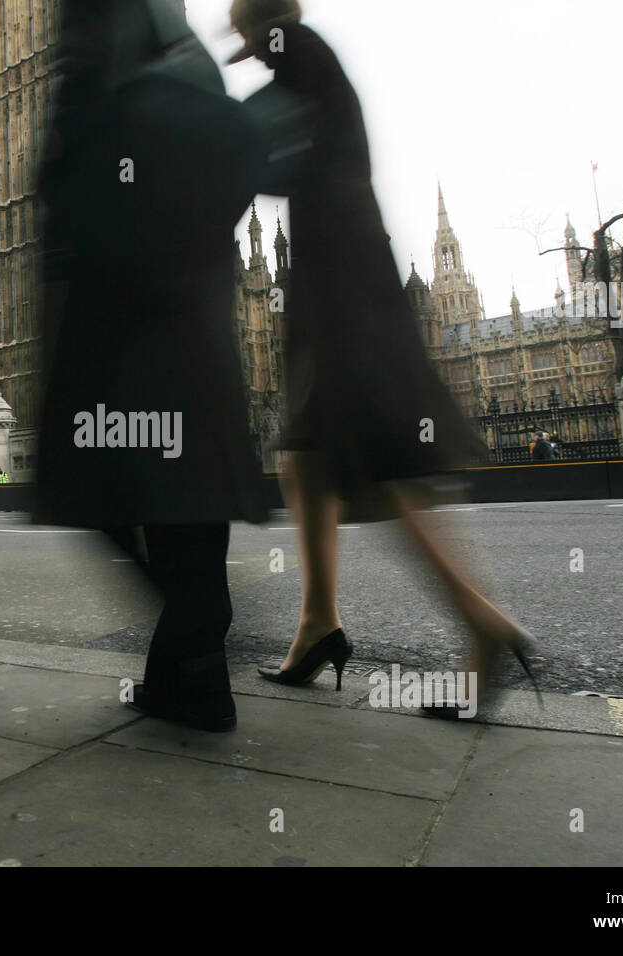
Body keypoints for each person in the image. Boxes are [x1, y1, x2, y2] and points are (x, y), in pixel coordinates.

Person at [230, 0, 538, 716]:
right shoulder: (303, 59)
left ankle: (485, 622)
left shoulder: (301, 52)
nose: (238, 38)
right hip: (334, 286)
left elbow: (259, 152)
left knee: (385, 461)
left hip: (346, 294)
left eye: (242, 25)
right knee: (304, 460)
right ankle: (317, 624)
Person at [34, 0, 268, 731]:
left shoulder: (105, 56)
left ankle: (196, 637)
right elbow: (239, 146)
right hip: (192, 304)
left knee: (105, 484)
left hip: (123, 305)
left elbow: (73, 129)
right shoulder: (180, 55)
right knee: (182, 488)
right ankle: (192, 677)